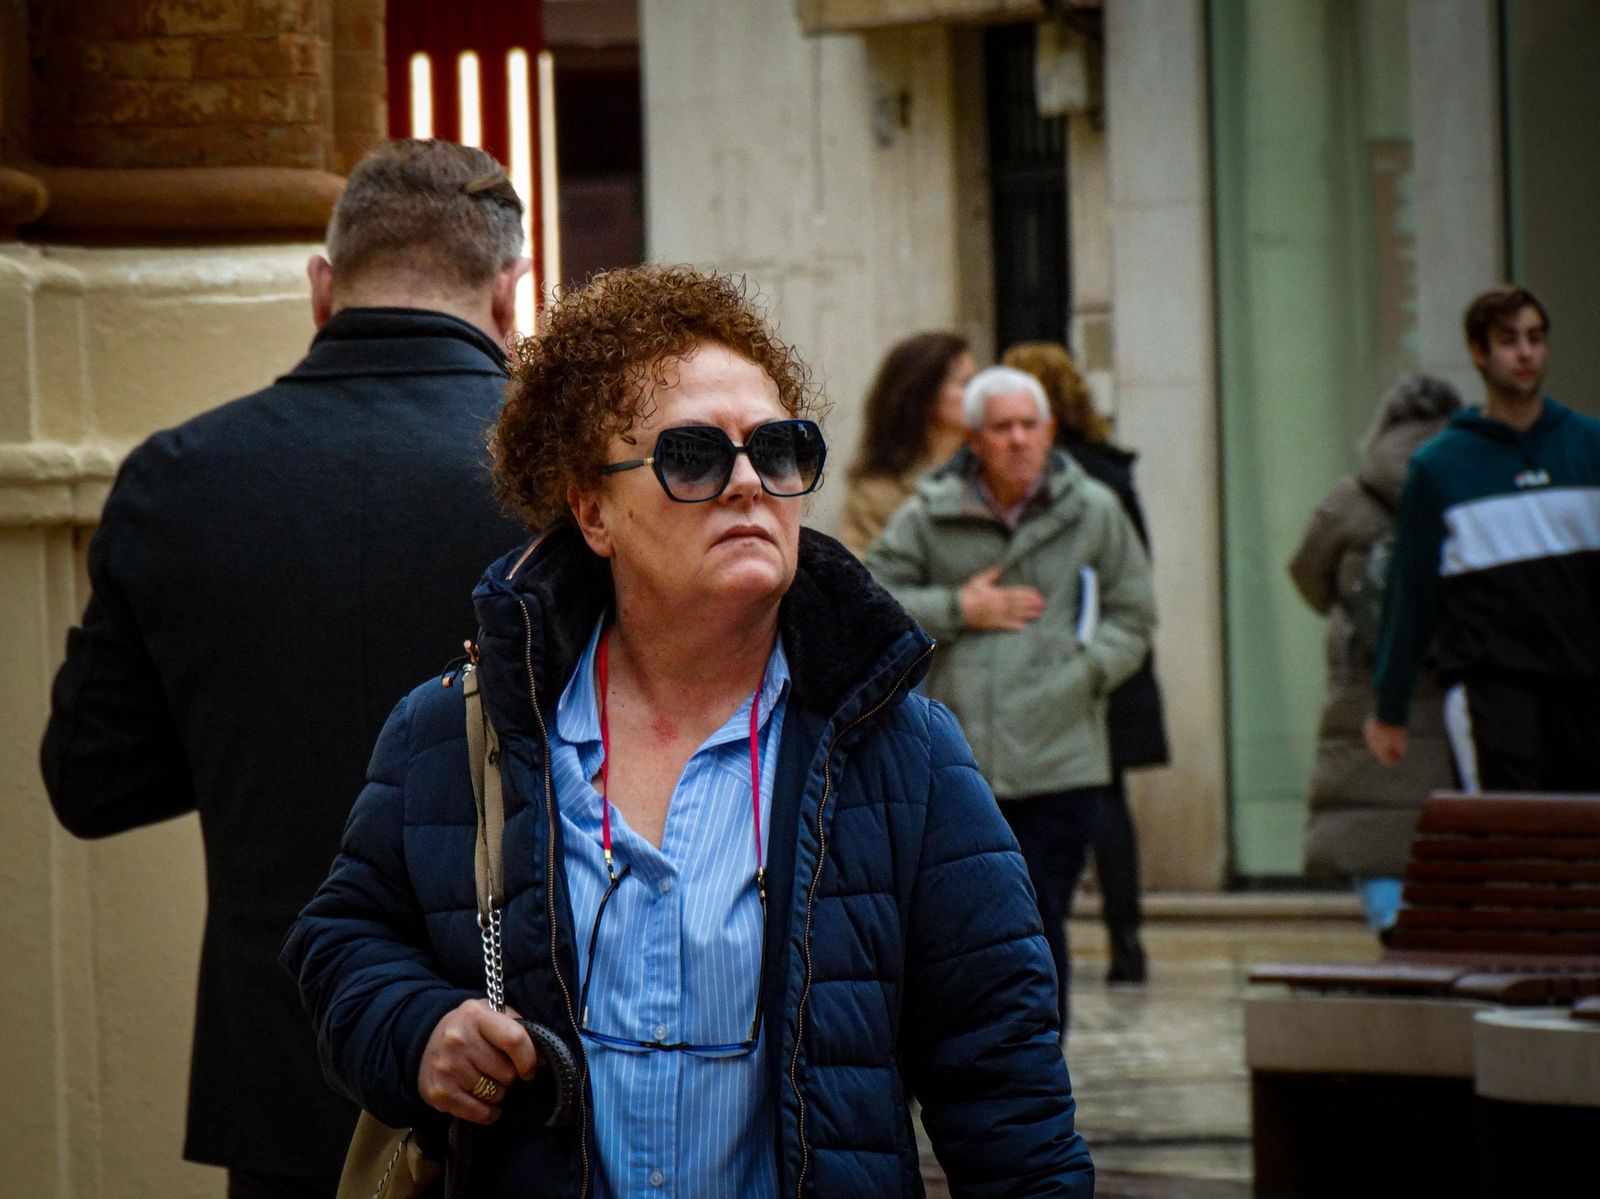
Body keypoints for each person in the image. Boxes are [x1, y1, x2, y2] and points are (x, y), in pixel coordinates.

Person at [281, 266, 1094, 1197]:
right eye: (695, 456)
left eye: (779, 451)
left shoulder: (903, 752)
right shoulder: (458, 731)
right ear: (593, 510)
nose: (749, 482)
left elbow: (1007, 1092)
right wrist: (418, 1028)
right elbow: (341, 938)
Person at [39, 139, 530, 1198]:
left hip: (276, 1072)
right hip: (513, 1073)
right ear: (508, 292)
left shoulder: (178, 477)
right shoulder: (562, 490)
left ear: (322, 286)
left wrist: (249, 738)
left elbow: (91, 781)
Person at [867, 364, 1157, 1032]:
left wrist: (1085, 672)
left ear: (1051, 432)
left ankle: (1035, 1052)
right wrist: (958, 606)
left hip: (1062, 756)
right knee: (967, 920)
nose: (1018, 440)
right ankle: (970, 1050)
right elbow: (875, 600)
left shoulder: (1095, 511)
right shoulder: (927, 514)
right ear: (973, 438)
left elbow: (1133, 614)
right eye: (1002, 428)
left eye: (1030, 425)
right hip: (963, 758)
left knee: (1039, 912)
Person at [1365, 286, 1600, 791]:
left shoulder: (1589, 447)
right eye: (1508, 339)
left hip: (1585, 688)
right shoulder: (1439, 469)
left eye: (1536, 338)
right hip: (1491, 695)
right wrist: (1390, 706)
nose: (1526, 353)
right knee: (1506, 848)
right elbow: (1411, 597)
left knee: (1582, 857)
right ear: (1478, 351)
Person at [1003, 341, 1169, 983]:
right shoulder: (1112, 470)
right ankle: (1127, 942)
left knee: (1072, 798)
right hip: (1106, 662)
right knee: (1108, 799)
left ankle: (1060, 935)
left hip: (1066, 659)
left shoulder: (1069, 484)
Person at [1290, 375, 1463, 936]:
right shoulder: (1466, 482)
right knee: (1445, 822)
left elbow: (1307, 576)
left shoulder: (1349, 499)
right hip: (1446, 692)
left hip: (1363, 693)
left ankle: (1389, 916)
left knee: (1369, 827)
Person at [837, 331, 975, 557]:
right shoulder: (875, 491)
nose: (979, 394)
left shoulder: (992, 468)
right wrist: (956, 594)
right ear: (926, 394)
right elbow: (864, 577)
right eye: (965, 383)